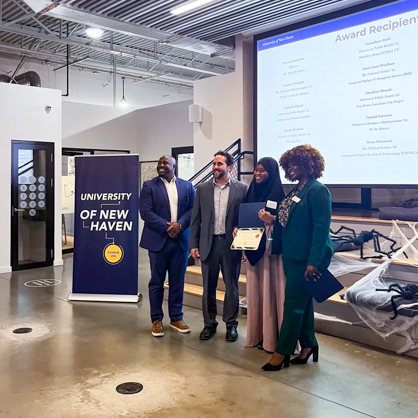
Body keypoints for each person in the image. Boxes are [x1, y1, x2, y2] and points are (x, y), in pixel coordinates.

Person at [262, 145, 333, 371]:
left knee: (292, 304)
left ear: (309, 165)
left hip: (308, 258)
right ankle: (309, 345)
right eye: (288, 164)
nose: (290, 168)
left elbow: (321, 229)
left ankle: (282, 351)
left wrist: (313, 262)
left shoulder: (317, 190)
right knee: (303, 304)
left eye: (295, 163)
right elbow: (288, 221)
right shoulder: (295, 191)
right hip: (291, 256)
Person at [189, 151, 248, 342]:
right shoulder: (203, 189)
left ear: (229, 167)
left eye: (220, 164)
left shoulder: (242, 189)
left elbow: (246, 218)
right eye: (214, 164)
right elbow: (195, 219)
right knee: (208, 287)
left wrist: (245, 245)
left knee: (231, 287)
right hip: (208, 244)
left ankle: (231, 325)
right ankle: (209, 324)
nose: (215, 167)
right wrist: (193, 244)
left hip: (231, 245)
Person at [139, 155, 195, 337]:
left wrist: (180, 226)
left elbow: (192, 210)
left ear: (174, 166)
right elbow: (146, 212)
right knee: (157, 282)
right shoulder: (149, 186)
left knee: (177, 281)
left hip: (180, 241)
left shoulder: (187, 186)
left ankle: (176, 318)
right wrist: (168, 227)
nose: (161, 165)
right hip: (158, 240)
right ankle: (156, 320)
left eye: (166, 163)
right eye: (160, 162)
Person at [242, 157, 285, 353]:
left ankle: (273, 339)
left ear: (272, 173)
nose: (257, 174)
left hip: (271, 253)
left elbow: (287, 224)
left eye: (262, 171)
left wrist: (272, 220)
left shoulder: (279, 194)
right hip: (252, 249)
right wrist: (238, 232)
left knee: (270, 292)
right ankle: (258, 335)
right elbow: (244, 219)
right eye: (256, 170)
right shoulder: (251, 191)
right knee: (256, 292)